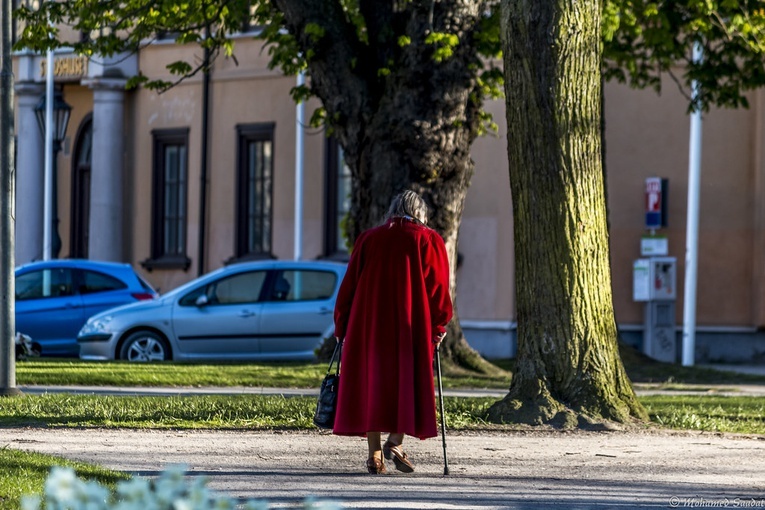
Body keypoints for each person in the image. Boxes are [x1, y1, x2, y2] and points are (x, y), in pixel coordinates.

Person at [332, 190, 453, 475]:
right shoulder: (426, 239)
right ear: (420, 213)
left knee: (371, 383)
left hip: (367, 323)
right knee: (405, 381)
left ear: (392, 211)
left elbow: (348, 285)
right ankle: (395, 442)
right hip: (409, 324)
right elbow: (438, 287)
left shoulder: (368, 239)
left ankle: (375, 456)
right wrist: (439, 325)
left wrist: (342, 325)